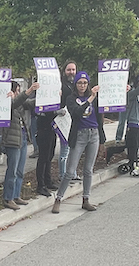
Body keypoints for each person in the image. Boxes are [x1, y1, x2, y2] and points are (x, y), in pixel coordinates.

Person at [52, 71, 105, 214]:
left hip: (93, 134)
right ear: (76, 84)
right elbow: (76, 113)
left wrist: (102, 139)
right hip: (79, 135)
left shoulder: (95, 97)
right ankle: (58, 199)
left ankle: (86, 199)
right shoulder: (71, 98)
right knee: (70, 171)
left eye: (85, 83)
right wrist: (90, 99)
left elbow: (100, 116)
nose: (82, 85)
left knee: (88, 170)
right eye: (80, 83)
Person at [1, 80, 38, 210]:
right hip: (12, 140)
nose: (17, 93)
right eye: (16, 90)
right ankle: (8, 197)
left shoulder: (19, 103)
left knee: (20, 170)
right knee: (12, 170)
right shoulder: (8, 103)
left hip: (22, 137)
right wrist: (29, 91)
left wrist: (47, 95)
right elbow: (15, 103)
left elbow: (30, 103)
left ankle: (16, 195)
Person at [59, 60, 81, 183]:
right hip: (63, 119)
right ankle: (63, 175)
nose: (71, 72)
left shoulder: (77, 84)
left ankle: (73, 173)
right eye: (69, 69)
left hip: (75, 119)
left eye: (73, 69)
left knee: (75, 148)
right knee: (65, 149)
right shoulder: (61, 84)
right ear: (64, 71)